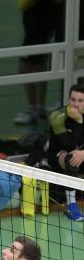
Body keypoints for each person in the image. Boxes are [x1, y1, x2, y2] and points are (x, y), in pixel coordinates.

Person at [15, 0, 65, 125]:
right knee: (37, 67)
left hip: (37, 32)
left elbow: (22, 3)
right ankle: (38, 107)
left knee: (27, 68)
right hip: (38, 30)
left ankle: (35, 108)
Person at [46, 84, 84, 221]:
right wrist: (79, 121)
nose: (75, 104)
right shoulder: (57, 116)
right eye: (73, 100)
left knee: (77, 156)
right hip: (58, 156)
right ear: (68, 99)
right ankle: (71, 205)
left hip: (82, 154)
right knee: (72, 158)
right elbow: (70, 145)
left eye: (80, 101)